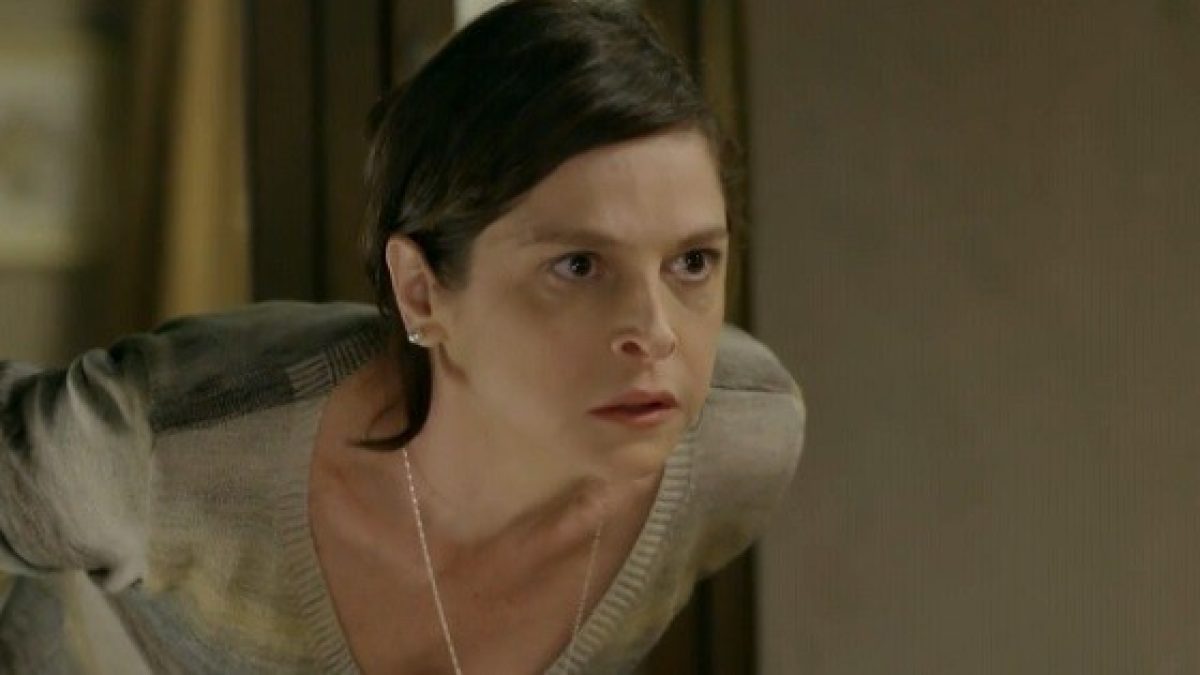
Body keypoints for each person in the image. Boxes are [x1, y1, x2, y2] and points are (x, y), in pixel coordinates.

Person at [0, 1, 805, 673]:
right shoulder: (170, 450)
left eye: (691, 261)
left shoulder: (740, 442)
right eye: (578, 265)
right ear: (422, 292)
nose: (656, 333)